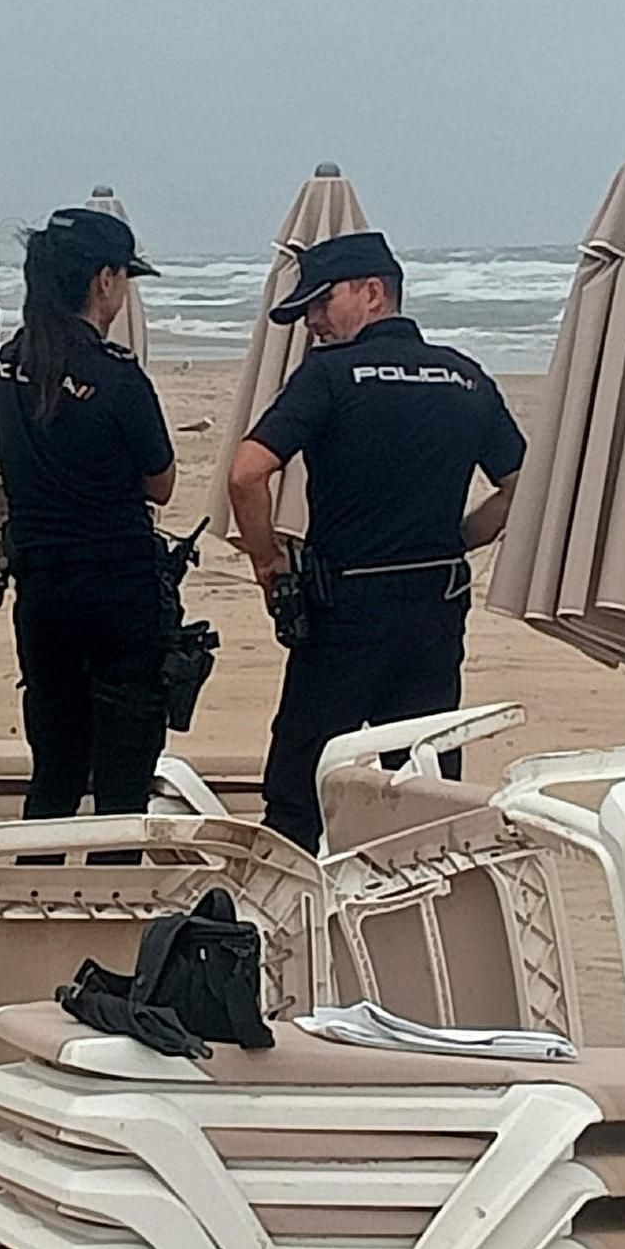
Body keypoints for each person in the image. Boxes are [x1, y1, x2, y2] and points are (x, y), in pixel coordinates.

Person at [227, 231, 527, 852]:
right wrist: (458, 538)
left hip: (344, 608)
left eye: (319, 304)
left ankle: (289, 927)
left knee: (300, 792)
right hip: (435, 608)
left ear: (372, 293)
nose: (311, 322)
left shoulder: (330, 376)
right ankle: (418, 925)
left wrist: (268, 563)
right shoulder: (467, 378)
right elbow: (523, 487)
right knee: (423, 792)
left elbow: (247, 472)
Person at [0, 208, 172, 820]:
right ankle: (115, 901)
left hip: (41, 588)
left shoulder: (7, 368)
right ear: (103, 281)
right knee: (123, 780)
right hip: (117, 588)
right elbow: (162, 482)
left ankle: (31, 894)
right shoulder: (118, 377)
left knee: (55, 770)